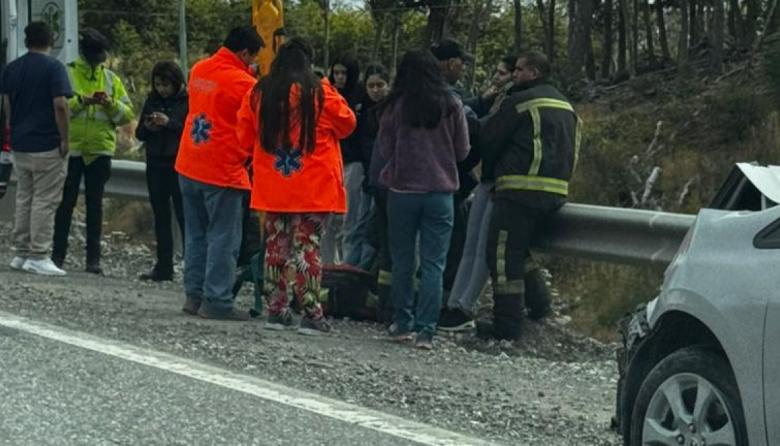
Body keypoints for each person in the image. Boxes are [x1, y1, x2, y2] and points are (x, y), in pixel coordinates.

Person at [236, 37, 356, 334]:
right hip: (312, 187)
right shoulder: (320, 93)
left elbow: (243, 134)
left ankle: (276, 310)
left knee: (276, 247)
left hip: (274, 184)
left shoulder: (259, 92)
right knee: (307, 249)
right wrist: (327, 86)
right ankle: (311, 312)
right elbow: (348, 124)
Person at [477, 51, 582, 340]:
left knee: (500, 255)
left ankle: (506, 327)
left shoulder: (520, 102)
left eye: (520, 70)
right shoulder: (566, 104)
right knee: (517, 250)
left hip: (519, 191)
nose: (514, 75)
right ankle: (540, 304)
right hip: (556, 193)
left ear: (534, 72)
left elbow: (488, 140)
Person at [377, 49, 470, 350]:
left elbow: (384, 150)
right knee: (434, 264)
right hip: (440, 193)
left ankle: (402, 322)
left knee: (403, 261)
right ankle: (426, 331)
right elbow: (462, 151)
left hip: (402, 192)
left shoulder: (394, 107)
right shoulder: (451, 104)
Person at [175, 26, 264, 321]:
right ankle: (217, 300)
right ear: (244, 53)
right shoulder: (243, 83)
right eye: (253, 58)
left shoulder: (199, 70)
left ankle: (194, 295)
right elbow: (255, 126)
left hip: (189, 162)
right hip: (222, 169)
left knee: (196, 235)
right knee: (223, 238)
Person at [439, 54, 518, 331]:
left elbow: (488, 138)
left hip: (503, 181)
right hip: (487, 178)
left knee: (483, 245)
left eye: (504, 73)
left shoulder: (513, 105)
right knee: (471, 244)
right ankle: (454, 304)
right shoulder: (496, 103)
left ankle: (464, 305)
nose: (498, 78)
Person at [52, 28, 134, 274]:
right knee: (65, 205)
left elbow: (126, 115)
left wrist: (109, 104)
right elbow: (60, 107)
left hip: (100, 150)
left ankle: (93, 260)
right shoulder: (67, 72)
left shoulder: (111, 79)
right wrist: (83, 101)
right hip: (72, 148)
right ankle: (57, 256)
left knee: (95, 206)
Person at [2, 22, 72, 276]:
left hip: (20, 143)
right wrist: (65, 138)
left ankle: (21, 252)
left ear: (26, 40)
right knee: (45, 200)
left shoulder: (12, 68)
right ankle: (38, 253)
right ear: (50, 40)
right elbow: (60, 104)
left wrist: (12, 128)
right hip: (46, 144)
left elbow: (7, 103)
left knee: (24, 197)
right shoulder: (55, 68)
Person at [430, 38, 481, 296]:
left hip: (403, 186)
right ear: (451, 63)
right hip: (444, 186)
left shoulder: (406, 93)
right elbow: (466, 146)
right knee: (443, 252)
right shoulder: (452, 101)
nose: (462, 68)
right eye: (461, 62)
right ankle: (441, 302)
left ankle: (397, 306)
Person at [135, 61, 188, 282]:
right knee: (161, 215)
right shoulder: (152, 100)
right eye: (158, 84)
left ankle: (192, 264)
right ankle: (164, 265)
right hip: (155, 162)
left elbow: (189, 129)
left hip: (177, 163)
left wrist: (170, 123)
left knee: (185, 216)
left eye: (166, 85)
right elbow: (139, 133)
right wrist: (149, 126)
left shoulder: (187, 102)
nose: (162, 89)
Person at [321, 55, 361, 265]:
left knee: (348, 219)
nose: (340, 77)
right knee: (328, 220)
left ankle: (346, 263)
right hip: (331, 162)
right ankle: (328, 264)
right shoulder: (325, 95)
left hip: (352, 161)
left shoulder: (359, 95)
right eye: (336, 72)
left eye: (344, 73)